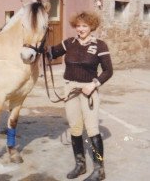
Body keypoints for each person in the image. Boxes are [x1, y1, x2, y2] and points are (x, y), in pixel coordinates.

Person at [47, 11, 113, 181]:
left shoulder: (100, 45)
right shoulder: (69, 43)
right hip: (70, 90)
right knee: (75, 129)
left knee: (92, 130)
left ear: (91, 26)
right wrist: (38, 42)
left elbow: (108, 71)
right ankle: (80, 165)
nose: (81, 29)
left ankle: (99, 169)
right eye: (78, 26)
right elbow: (51, 53)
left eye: (84, 25)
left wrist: (93, 85)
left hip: (88, 90)